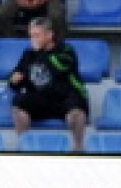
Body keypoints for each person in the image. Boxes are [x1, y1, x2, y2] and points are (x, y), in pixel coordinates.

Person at [9, 17, 89, 152]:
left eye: (37, 35)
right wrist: (13, 80)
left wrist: (41, 52)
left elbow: (59, 68)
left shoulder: (66, 50)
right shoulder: (28, 54)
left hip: (65, 97)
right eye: (31, 36)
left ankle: (78, 148)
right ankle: (25, 146)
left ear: (49, 35)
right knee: (18, 103)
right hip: (41, 98)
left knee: (77, 110)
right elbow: (16, 80)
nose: (33, 39)